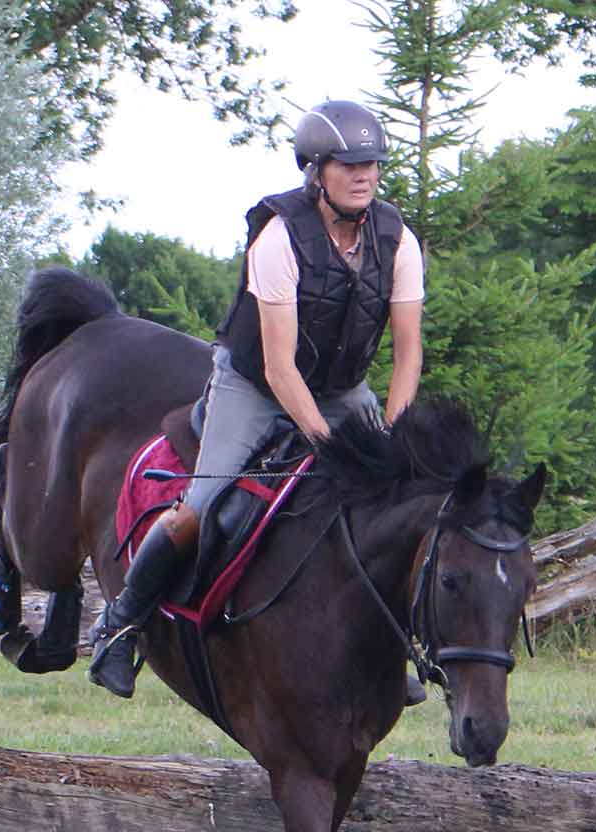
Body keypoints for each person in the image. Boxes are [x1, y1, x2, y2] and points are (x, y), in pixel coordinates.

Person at [88, 99, 426, 700]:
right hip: (256, 385)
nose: (365, 175)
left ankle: (390, 650)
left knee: (391, 499)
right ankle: (120, 628)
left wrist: (391, 439)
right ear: (315, 171)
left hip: (344, 390)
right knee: (204, 503)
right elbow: (278, 366)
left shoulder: (398, 242)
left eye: (372, 164)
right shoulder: (278, 238)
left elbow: (407, 354)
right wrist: (326, 443)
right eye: (349, 165)